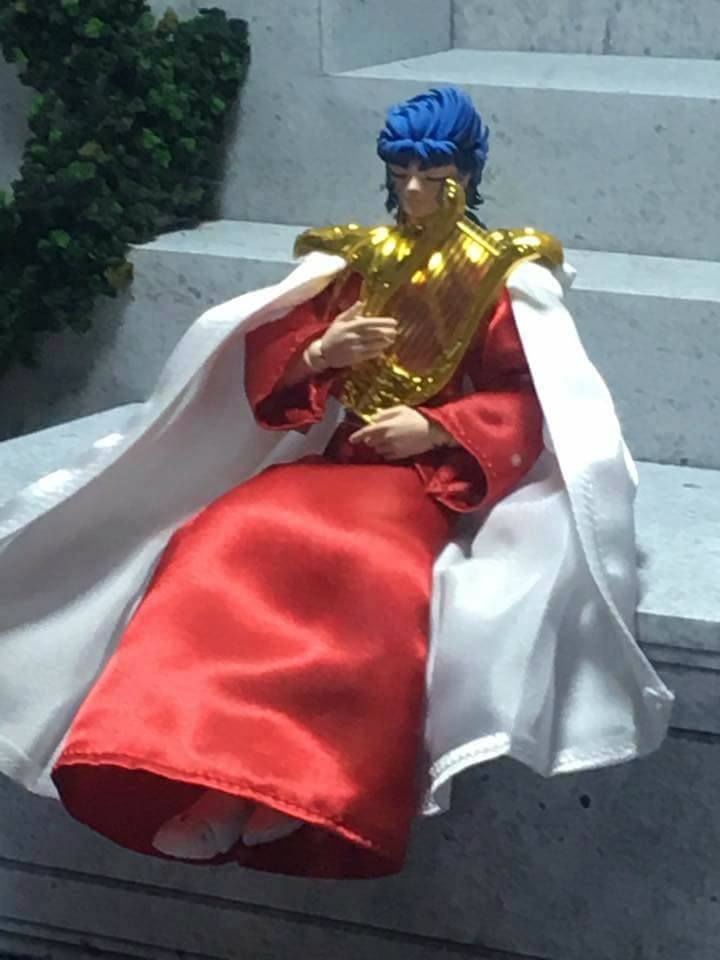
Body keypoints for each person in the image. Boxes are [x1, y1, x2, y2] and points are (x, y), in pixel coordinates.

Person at [0, 88, 673, 879]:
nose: (414, 190)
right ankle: (204, 773)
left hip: (416, 481)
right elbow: (272, 357)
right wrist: (323, 354)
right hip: (337, 461)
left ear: (467, 175)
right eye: (402, 172)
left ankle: (303, 784)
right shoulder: (360, 260)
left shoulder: (499, 273)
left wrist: (439, 427)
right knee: (225, 534)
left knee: (365, 568)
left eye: (435, 176)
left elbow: (529, 398)